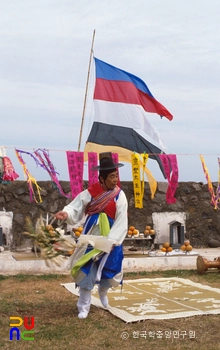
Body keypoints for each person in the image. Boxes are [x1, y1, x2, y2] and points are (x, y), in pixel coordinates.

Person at [55, 152, 128, 319]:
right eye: (111, 177)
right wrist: (66, 214)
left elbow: (122, 218)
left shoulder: (119, 195)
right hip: (92, 236)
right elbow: (75, 207)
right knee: (87, 266)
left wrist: (114, 240)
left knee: (111, 266)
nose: (115, 180)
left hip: (111, 236)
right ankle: (84, 305)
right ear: (102, 179)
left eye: (116, 176)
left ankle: (103, 293)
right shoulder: (91, 192)